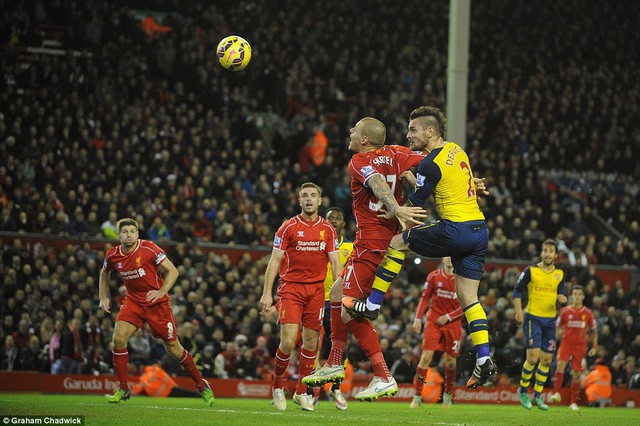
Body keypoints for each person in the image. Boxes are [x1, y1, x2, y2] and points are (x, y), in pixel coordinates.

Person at [342, 106, 494, 390]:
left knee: (397, 243)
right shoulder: (456, 150)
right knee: (469, 298)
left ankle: (373, 304)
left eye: (413, 130)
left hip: (456, 230)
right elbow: (453, 182)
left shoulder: (429, 164)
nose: (408, 134)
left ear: (430, 131)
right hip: (479, 231)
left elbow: (416, 202)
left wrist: (397, 210)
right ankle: (485, 359)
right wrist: (474, 183)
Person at [303, 117, 429, 402]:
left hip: (371, 244)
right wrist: (414, 201)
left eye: (355, 130)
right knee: (336, 293)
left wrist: (397, 207)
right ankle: (335, 361)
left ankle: (383, 375)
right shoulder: (397, 152)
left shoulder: (359, 161)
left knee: (348, 307)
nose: (350, 131)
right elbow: (425, 169)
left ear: (364, 140)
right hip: (377, 241)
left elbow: (375, 183)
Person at [99, 217, 214, 406]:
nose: (129, 235)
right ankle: (123, 388)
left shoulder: (149, 248)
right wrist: (103, 296)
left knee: (174, 348)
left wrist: (161, 292)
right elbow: (105, 272)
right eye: (125, 232)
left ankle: (202, 385)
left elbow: (173, 271)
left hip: (156, 303)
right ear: (119, 235)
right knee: (118, 339)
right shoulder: (112, 255)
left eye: (132, 231)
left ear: (137, 234)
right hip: (133, 301)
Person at [259, 182, 342, 412]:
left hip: (316, 292)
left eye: (313, 195)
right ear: (299, 201)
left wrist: (340, 294)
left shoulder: (328, 229)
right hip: (291, 289)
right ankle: (277, 386)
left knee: (311, 345)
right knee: (287, 341)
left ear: (320, 201)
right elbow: (275, 260)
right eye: (304, 195)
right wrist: (266, 293)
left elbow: (335, 263)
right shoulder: (288, 227)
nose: (309, 199)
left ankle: (301, 392)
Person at [513, 239, 567, 410]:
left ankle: (537, 396)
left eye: (551, 251)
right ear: (541, 252)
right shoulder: (531, 271)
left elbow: (562, 295)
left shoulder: (560, 274)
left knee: (546, 360)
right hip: (533, 318)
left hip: (550, 320)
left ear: (555, 255)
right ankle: (522, 391)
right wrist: (519, 311)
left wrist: (564, 299)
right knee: (533, 358)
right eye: (545, 250)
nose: (547, 253)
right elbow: (517, 290)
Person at [409, 257, 463, 409]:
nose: (450, 260)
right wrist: (418, 318)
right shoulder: (434, 276)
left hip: (453, 324)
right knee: (426, 357)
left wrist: (448, 317)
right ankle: (417, 396)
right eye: (447, 256)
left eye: (453, 257)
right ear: (443, 259)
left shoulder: (462, 278)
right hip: (433, 321)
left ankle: (447, 394)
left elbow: (466, 304)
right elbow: (424, 297)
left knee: (451, 362)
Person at [318, 206, 353, 410]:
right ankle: (309, 391)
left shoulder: (350, 246)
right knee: (312, 344)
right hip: (316, 299)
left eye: (338, 218)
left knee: (341, 343)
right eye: (330, 218)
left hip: (338, 302)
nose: (334, 221)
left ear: (343, 224)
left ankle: (336, 387)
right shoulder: (317, 243)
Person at [551, 284, 598, 411]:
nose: (576, 297)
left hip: (580, 346)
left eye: (579, 294)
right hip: (566, 344)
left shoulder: (587, 313)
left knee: (576, 374)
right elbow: (556, 327)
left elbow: (594, 330)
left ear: (583, 296)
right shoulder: (565, 311)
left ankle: (573, 402)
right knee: (560, 365)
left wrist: (594, 346)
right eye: (574, 294)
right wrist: (553, 341)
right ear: (572, 296)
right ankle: (556, 393)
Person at [133, 363, 201, 398]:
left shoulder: (143, 377)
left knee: (184, 394)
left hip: (162, 395)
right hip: (168, 389)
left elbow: (138, 389)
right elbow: (166, 378)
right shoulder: (154, 370)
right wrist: (174, 385)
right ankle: (198, 394)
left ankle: (198, 394)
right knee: (185, 393)